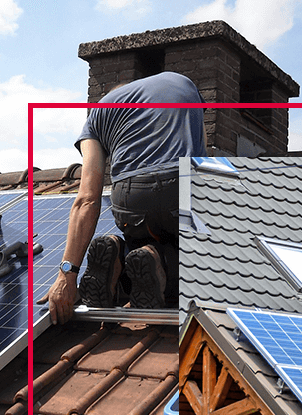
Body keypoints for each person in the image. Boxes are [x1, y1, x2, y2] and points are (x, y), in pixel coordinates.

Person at [44, 71, 206, 325]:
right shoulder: (184, 83)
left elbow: (87, 197)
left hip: (130, 197)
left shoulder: (97, 113)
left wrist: (67, 274)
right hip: (182, 184)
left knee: (144, 234)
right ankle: (160, 264)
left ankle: (119, 253)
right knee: (204, 255)